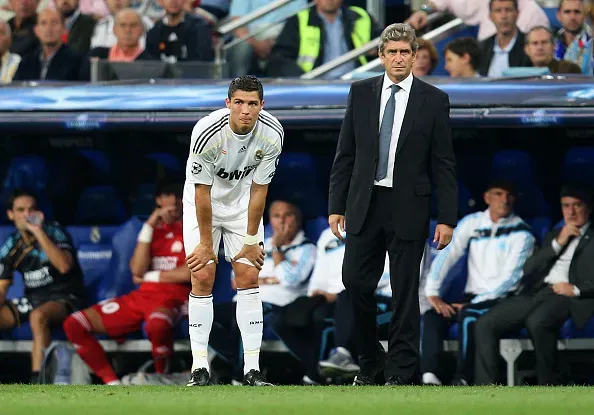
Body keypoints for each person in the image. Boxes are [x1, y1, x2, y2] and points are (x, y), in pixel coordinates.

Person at [328, 22, 457, 386]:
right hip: (363, 205)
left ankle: (400, 372)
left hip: (409, 207)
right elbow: (345, 154)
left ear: (415, 57)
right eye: (392, 52)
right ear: (380, 56)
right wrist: (335, 206)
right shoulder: (361, 92)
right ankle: (371, 363)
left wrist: (447, 217)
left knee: (404, 293)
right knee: (353, 283)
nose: (399, 58)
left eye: (405, 52)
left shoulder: (434, 99)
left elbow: (443, 162)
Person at [183, 75, 283, 387]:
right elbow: (202, 193)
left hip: (242, 206)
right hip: (204, 205)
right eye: (238, 102)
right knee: (202, 275)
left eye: (252, 103)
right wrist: (204, 243)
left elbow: (259, 191)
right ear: (228, 104)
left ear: (261, 105)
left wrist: (252, 240)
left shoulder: (273, 134)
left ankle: (252, 369)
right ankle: (199, 367)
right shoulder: (207, 133)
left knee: (249, 275)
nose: (245, 110)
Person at [63, 183, 190, 385]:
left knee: (158, 323)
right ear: (158, 200)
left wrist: (150, 277)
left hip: (173, 298)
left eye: (178, 195)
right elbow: (137, 271)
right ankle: (112, 383)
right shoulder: (151, 231)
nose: (173, 201)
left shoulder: (195, 228)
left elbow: (193, 274)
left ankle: (161, 380)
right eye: (167, 195)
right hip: (142, 298)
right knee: (74, 323)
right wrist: (149, 225)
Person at [475, 185, 594, 386]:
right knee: (485, 323)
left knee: (538, 322)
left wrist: (575, 289)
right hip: (538, 292)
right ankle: (485, 387)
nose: (571, 212)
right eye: (566, 206)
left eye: (577, 205)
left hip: (569, 295)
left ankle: (548, 384)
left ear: (588, 208)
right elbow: (529, 269)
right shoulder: (554, 234)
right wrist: (558, 242)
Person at [422, 181, 535, 386]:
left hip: (501, 300)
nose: (504, 199)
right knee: (432, 315)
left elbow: (510, 280)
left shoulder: (522, 233)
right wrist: (432, 293)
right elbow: (447, 254)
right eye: (498, 193)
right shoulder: (472, 223)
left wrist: (476, 302)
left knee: (468, 316)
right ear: (487, 198)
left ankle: (463, 377)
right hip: (471, 299)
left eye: (509, 195)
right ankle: (430, 377)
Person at [0, 189, 86, 384]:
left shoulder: (54, 231)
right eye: (20, 210)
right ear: (11, 215)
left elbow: (64, 266)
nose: (26, 214)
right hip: (34, 299)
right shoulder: (11, 244)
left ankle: (39, 383)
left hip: (66, 297)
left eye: (31, 209)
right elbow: (1, 287)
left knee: (38, 316)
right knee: (31, 312)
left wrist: (38, 232)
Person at [13, 7, 83, 81]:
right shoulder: (26, 62)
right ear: (36, 31)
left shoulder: (77, 61)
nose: (49, 28)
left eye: (54, 23)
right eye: (43, 23)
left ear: (64, 29)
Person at [478, 0, 531, 77]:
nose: (504, 16)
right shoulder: (482, 47)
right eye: (498, 11)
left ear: (517, 14)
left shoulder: (530, 44)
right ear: (490, 16)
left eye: (508, 10)